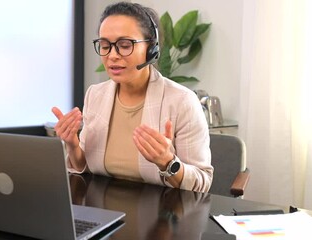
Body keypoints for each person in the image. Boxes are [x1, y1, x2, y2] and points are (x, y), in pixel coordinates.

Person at [52, 2, 213, 192]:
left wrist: (168, 163)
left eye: (125, 45)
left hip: (160, 215)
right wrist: (72, 145)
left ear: (151, 49)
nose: (112, 55)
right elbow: (86, 169)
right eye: (105, 45)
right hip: (104, 213)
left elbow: (202, 182)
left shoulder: (182, 101)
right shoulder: (96, 95)